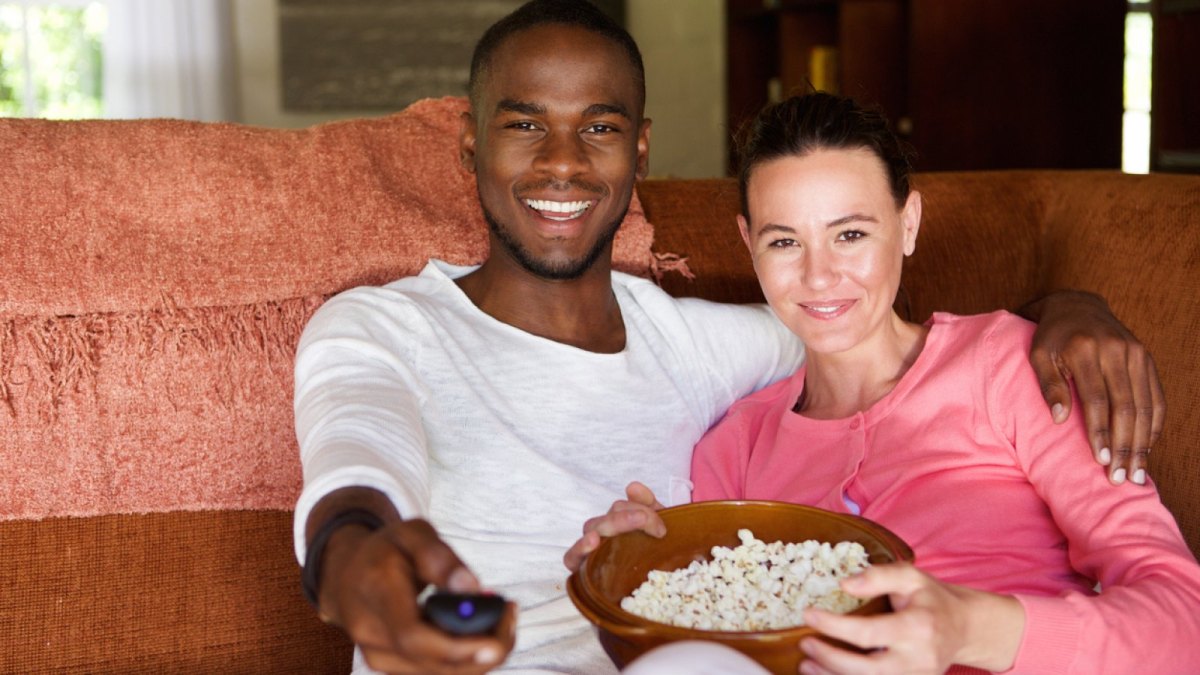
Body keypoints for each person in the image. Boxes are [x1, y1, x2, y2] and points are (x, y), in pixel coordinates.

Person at [293, 1, 1165, 673]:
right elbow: (356, 458)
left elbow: (866, 336)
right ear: (469, 143)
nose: (560, 162)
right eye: (524, 124)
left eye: (596, 128)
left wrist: (1066, 306)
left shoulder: (711, 348)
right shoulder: (380, 329)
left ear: (639, 153)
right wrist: (352, 552)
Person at [567, 92, 1200, 674]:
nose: (819, 277)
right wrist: (632, 568)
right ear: (749, 245)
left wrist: (968, 629)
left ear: (910, 223)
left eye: (850, 234)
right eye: (784, 241)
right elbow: (701, 642)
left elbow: (1184, 624)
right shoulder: (734, 449)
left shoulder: (1010, 368)